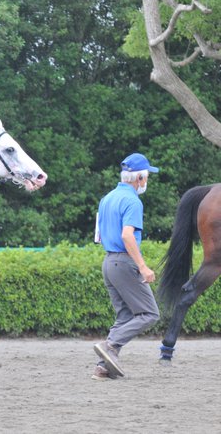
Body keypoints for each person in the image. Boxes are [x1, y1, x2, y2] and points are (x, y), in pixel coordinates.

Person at [92, 152, 161, 380]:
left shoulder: (107, 198)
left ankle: (102, 368)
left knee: (124, 316)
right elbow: (127, 235)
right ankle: (109, 345)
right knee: (149, 313)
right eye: (147, 176)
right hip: (123, 262)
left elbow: (98, 236)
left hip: (108, 262)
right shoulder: (132, 201)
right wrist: (143, 266)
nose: (147, 180)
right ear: (139, 178)